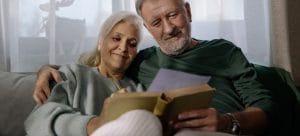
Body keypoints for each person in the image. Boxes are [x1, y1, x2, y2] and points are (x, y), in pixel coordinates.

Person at [32, 0, 275, 135]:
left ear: (188, 11)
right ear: (148, 28)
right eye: (157, 22)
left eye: (173, 15)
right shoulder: (142, 60)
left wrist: (226, 121)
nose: (168, 29)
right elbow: (100, 64)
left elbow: (266, 111)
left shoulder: (224, 51)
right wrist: (47, 69)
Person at [24, 11, 144, 135]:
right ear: (100, 43)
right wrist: (95, 125)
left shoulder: (137, 89)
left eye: (132, 44)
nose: (123, 47)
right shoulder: (72, 74)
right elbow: (37, 121)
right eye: (116, 38)